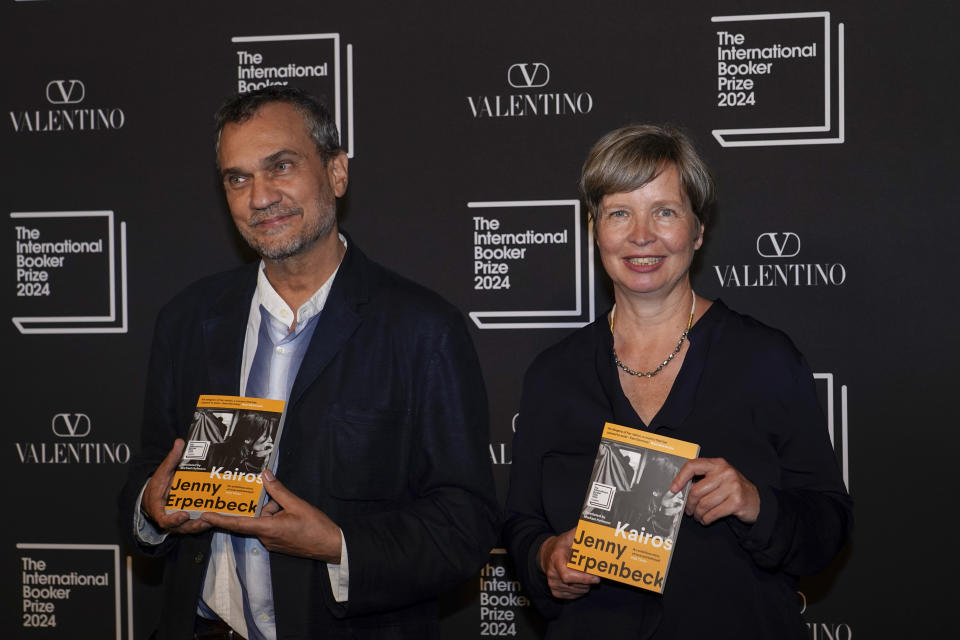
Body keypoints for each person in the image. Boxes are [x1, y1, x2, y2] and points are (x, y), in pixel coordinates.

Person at [118, 87, 499, 640]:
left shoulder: (422, 329)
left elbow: (465, 525)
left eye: (282, 166)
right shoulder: (187, 320)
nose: (260, 197)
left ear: (337, 173)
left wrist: (338, 545)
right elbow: (150, 469)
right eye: (238, 178)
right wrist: (152, 510)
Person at [503, 124, 852, 639]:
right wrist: (545, 559)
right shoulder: (555, 375)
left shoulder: (764, 359)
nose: (642, 235)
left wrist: (757, 504)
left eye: (664, 211)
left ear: (698, 230)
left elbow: (829, 525)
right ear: (595, 228)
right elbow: (519, 524)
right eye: (620, 212)